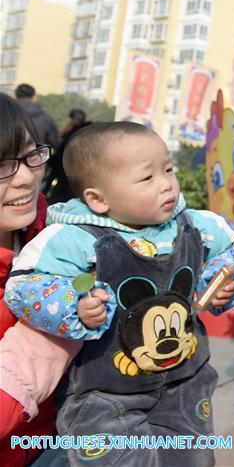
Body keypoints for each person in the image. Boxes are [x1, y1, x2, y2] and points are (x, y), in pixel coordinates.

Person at [4, 121, 234, 466]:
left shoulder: (195, 224)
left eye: (167, 169)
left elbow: (230, 252)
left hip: (186, 381)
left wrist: (219, 282)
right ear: (98, 199)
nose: (167, 184)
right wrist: (74, 306)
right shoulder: (73, 239)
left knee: (191, 457)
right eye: (147, 178)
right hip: (106, 393)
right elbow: (24, 286)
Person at [0, 93, 80, 466]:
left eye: (31, 156)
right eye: (1, 165)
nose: (24, 179)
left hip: (57, 437)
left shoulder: (59, 237)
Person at [45, 108, 91, 204]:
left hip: (64, 178)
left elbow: (60, 156)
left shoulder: (70, 135)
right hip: (82, 180)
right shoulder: (89, 134)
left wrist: (49, 160)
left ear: (69, 119)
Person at [13, 83, 60, 151]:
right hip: (35, 158)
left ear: (15, 96)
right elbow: (55, 142)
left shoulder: (5, 112)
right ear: (34, 97)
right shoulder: (45, 117)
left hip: (6, 159)